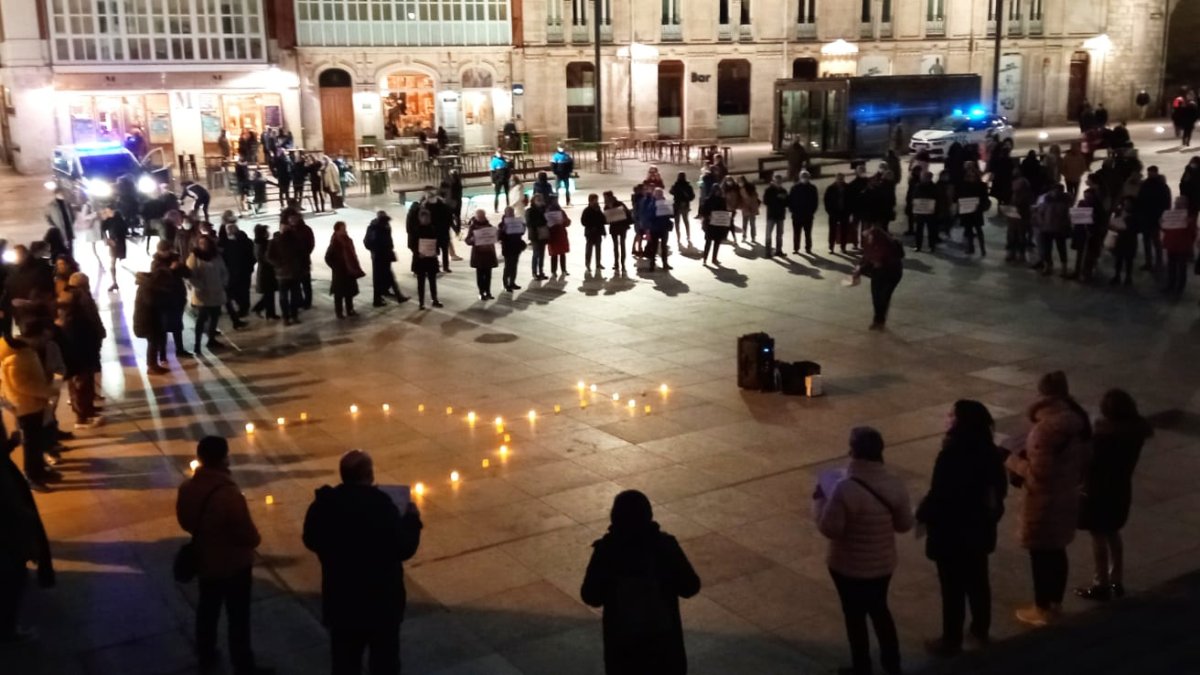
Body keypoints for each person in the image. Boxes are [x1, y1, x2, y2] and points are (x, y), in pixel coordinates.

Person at [302, 450, 422, 675]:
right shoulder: (381, 506)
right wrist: (412, 520)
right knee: (384, 662)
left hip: (341, 600)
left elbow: (310, 539)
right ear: (369, 474)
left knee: (345, 662)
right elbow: (404, 547)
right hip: (380, 602)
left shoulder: (324, 504)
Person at [815, 427, 913, 675]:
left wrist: (819, 501)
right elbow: (904, 525)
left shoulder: (844, 488)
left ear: (853, 451)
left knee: (855, 617)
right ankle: (893, 664)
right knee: (880, 611)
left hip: (848, 566)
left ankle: (862, 666)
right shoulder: (894, 484)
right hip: (882, 564)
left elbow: (830, 529)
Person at [916, 401, 1008, 656]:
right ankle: (980, 629)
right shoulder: (989, 452)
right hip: (979, 530)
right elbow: (999, 491)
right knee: (979, 581)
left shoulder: (952, 453)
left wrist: (923, 514)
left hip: (952, 532)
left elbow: (941, 494)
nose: (947, 419)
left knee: (952, 587)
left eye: (951, 415)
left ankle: (951, 638)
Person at [176, 437, 272, 675]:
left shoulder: (187, 488)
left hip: (205, 561)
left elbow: (185, 521)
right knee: (238, 616)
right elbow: (247, 534)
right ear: (223, 458)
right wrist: (255, 540)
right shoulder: (228, 494)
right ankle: (243, 664)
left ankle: (206, 654)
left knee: (207, 609)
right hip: (234, 564)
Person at [580, 490, 701, 675]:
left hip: (624, 648)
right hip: (663, 646)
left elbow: (591, 595)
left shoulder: (606, 550)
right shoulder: (665, 546)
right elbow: (690, 586)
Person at [1005, 371, 1091, 627]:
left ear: (1041, 394)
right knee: (1057, 551)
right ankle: (1055, 603)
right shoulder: (1078, 420)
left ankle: (1042, 607)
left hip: (1045, 501)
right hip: (1066, 495)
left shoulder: (1046, 428)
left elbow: (1039, 474)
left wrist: (1011, 460)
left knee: (1041, 554)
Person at [1075, 389, 1152, 602]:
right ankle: (1116, 578)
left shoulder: (1103, 438)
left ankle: (1101, 583)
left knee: (1098, 534)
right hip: (1120, 488)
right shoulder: (1135, 433)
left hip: (1099, 490)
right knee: (1112, 532)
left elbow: (1090, 463)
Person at [0, 426, 54, 642]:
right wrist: (24, 516)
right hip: (8, 520)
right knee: (12, 574)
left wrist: (9, 445)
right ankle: (7, 629)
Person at [0, 321, 57, 490]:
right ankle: (32, 475)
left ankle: (40, 470)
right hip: (25, 408)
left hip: (34, 405)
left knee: (37, 441)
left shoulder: (25, 352)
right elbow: (24, 386)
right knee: (31, 444)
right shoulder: (14, 360)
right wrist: (47, 391)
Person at [58, 272, 105, 428]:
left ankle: (87, 409)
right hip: (82, 344)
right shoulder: (81, 298)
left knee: (81, 379)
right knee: (81, 380)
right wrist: (99, 334)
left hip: (75, 344)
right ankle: (82, 417)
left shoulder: (66, 297)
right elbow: (92, 319)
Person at [853, 223, 904, 330]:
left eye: (869, 236)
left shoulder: (886, 246)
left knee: (884, 296)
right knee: (876, 297)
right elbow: (866, 257)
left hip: (891, 273)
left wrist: (861, 269)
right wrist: (859, 268)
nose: (867, 239)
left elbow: (876, 260)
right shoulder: (872, 243)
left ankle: (879, 320)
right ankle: (878, 320)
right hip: (879, 273)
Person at [187, 236, 229, 353]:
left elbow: (224, 271)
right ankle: (197, 343)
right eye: (201, 243)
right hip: (203, 294)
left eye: (205, 243)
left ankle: (212, 340)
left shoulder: (216, 256)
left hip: (217, 292)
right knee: (201, 319)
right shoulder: (194, 257)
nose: (203, 245)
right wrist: (200, 286)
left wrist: (223, 283)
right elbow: (190, 275)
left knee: (214, 317)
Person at [363, 211, 408, 308]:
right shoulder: (375, 228)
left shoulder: (383, 226)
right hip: (379, 256)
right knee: (383, 278)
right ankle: (380, 299)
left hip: (383, 255)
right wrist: (377, 249)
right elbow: (368, 242)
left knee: (386, 277)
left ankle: (389, 296)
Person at [325, 221, 365, 319]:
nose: (345, 230)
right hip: (340, 272)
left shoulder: (348, 240)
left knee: (349, 292)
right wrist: (335, 267)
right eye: (342, 229)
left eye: (345, 228)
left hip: (349, 270)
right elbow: (327, 257)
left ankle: (350, 309)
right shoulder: (335, 242)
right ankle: (339, 312)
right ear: (337, 230)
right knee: (339, 294)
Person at [1137, 164, 1172, 272]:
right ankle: (1149, 262)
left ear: (1156, 172)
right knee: (1147, 241)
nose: (1150, 174)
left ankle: (1158, 262)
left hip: (1155, 217)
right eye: (1149, 172)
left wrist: (1163, 215)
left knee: (1155, 241)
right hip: (1146, 217)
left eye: (1152, 172)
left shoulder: (1161, 186)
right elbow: (1140, 199)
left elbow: (1167, 202)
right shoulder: (1145, 184)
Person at [221, 222, 254, 329]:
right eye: (228, 229)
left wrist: (249, 267)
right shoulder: (226, 243)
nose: (229, 231)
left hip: (244, 271)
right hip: (232, 272)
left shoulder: (245, 241)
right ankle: (242, 307)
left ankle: (244, 308)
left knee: (244, 290)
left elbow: (252, 255)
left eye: (231, 228)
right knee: (234, 291)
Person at [408, 208, 443, 309]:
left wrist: (436, 251)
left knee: (433, 281)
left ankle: (434, 299)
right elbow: (411, 244)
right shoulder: (415, 230)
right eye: (424, 218)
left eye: (428, 218)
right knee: (421, 282)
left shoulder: (433, 228)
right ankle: (421, 302)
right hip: (420, 259)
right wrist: (418, 252)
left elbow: (437, 242)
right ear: (420, 218)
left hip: (431, 259)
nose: (426, 220)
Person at [1162, 195, 1196, 296]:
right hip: (1171, 245)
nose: (1177, 205)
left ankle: (1179, 288)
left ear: (1185, 205)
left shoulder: (1190, 217)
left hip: (1182, 246)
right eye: (1176, 203)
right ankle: (1170, 285)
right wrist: (1162, 224)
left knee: (1181, 268)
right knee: (1171, 267)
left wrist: (1189, 224)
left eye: (1179, 203)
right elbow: (1166, 230)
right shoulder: (1170, 215)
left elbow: (1193, 234)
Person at [464, 210, 498, 300]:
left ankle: (488, 291)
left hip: (488, 253)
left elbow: (495, 237)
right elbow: (467, 240)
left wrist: (496, 235)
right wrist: (472, 239)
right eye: (479, 216)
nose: (481, 218)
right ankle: (481, 292)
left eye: (482, 216)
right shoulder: (473, 227)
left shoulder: (489, 226)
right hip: (479, 254)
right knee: (480, 274)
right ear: (476, 217)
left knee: (488, 274)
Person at [250, 225, 278, 319]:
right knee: (269, 294)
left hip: (265, 272)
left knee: (269, 294)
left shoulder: (259, 243)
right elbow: (266, 258)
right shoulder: (262, 244)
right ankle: (262, 310)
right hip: (266, 272)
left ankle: (269, 313)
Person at [699, 180, 729, 266]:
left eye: (718, 191)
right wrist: (707, 216)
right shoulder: (708, 200)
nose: (717, 192)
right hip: (710, 224)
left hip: (718, 224)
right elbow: (703, 211)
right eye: (716, 191)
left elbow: (725, 211)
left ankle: (714, 258)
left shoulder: (722, 200)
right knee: (708, 242)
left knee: (717, 242)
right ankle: (705, 258)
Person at [789, 170, 819, 255]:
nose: (804, 179)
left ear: (809, 178)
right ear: (800, 178)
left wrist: (811, 212)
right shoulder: (794, 188)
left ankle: (808, 248)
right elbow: (790, 201)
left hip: (808, 215)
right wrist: (793, 211)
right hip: (797, 215)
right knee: (796, 233)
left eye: (806, 177)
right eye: (803, 177)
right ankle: (796, 248)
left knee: (808, 233)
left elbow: (815, 202)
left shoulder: (813, 188)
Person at [99, 207, 128, 293]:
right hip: (114, 242)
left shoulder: (119, 218)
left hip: (119, 242)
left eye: (107, 211)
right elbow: (102, 230)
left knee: (114, 262)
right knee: (112, 263)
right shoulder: (109, 220)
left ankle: (114, 282)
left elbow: (124, 230)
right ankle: (114, 282)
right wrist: (107, 239)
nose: (106, 212)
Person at [644, 188, 673, 272]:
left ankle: (665, 263)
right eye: (657, 194)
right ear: (654, 195)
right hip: (655, 228)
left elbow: (671, 215)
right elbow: (649, 216)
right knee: (654, 247)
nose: (659, 195)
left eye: (660, 194)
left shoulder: (666, 203)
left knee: (664, 246)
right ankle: (652, 264)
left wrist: (671, 209)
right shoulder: (652, 204)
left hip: (664, 228)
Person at [603, 191, 631, 276]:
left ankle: (622, 263)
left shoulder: (619, 204)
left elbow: (626, 213)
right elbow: (606, 218)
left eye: (605, 197)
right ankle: (616, 263)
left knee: (622, 245)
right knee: (616, 246)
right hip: (615, 228)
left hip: (622, 227)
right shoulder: (606, 206)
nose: (604, 199)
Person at [498, 207, 526, 291]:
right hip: (507, 248)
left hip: (516, 246)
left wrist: (523, 228)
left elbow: (520, 233)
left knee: (514, 266)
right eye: (509, 212)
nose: (511, 214)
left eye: (512, 212)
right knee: (508, 266)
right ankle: (506, 284)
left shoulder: (517, 221)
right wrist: (503, 230)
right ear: (505, 213)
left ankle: (512, 282)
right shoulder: (501, 224)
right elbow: (499, 237)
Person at [824, 173, 853, 254]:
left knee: (844, 230)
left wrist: (849, 212)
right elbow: (826, 201)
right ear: (836, 179)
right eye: (839, 178)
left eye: (841, 178)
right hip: (833, 213)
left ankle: (843, 247)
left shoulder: (848, 188)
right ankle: (831, 247)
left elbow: (852, 201)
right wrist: (829, 211)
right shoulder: (830, 188)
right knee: (832, 231)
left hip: (844, 212)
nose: (840, 180)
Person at [762, 175, 788, 258]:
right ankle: (768, 252)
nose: (778, 183)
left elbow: (787, 202)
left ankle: (778, 251)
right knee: (768, 234)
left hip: (780, 216)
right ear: (773, 181)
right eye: (777, 181)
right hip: (771, 216)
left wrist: (784, 199)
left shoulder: (784, 191)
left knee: (779, 234)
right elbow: (765, 201)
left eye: (780, 182)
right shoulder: (769, 190)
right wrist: (777, 198)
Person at [526, 194, 550, 281]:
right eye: (538, 200)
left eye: (541, 199)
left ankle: (541, 271)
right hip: (535, 235)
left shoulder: (543, 210)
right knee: (536, 254)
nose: (540, 201)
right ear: (533, 201)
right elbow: (529, 223)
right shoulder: (529, 211)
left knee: (542, 254)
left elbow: (547, 220)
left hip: (543, 235)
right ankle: (534, 272)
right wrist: (540, 222)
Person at [581, 193, 607, 272]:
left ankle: (598, 263)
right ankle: (588, 263)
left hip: (598, 232)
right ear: (590, 201)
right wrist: (591, 226)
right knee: (589, 249)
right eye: (595, 200)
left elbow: (602, 220)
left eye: (597, 200)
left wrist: (603, 231)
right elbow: (583, 221)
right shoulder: (587, 210)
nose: (596, 202)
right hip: (590, 233)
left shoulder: (598, 210)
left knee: (598, 249)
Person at [547, 197, 572, 277]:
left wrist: (565, 221)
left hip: (561, 235)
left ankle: (563, 270)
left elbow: (567, 222)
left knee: (562, 253)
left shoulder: (561, 211)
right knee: (554, 254)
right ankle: (553, 271)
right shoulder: (547, 212)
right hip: (553, 235)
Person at [669, 172, 695, 247]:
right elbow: (692, 196)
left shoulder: (676, 185)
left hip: (677, 205)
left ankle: (678, 237)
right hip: (685, 205)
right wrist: (687, 199)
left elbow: (671, 192)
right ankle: (688, 235)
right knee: (686, 221)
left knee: (677, 222)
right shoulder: (688, 186)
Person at [737, 176, 760, 245]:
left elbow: (754, 198)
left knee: (752, 224)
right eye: (739, 182)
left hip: (751, 208)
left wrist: (751, 207)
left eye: (741, 181)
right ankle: (744, 237)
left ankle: (753, 237)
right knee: (745, 224)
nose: (740, 183)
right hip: (745, 209)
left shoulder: (750, 188)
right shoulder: (739, 189)